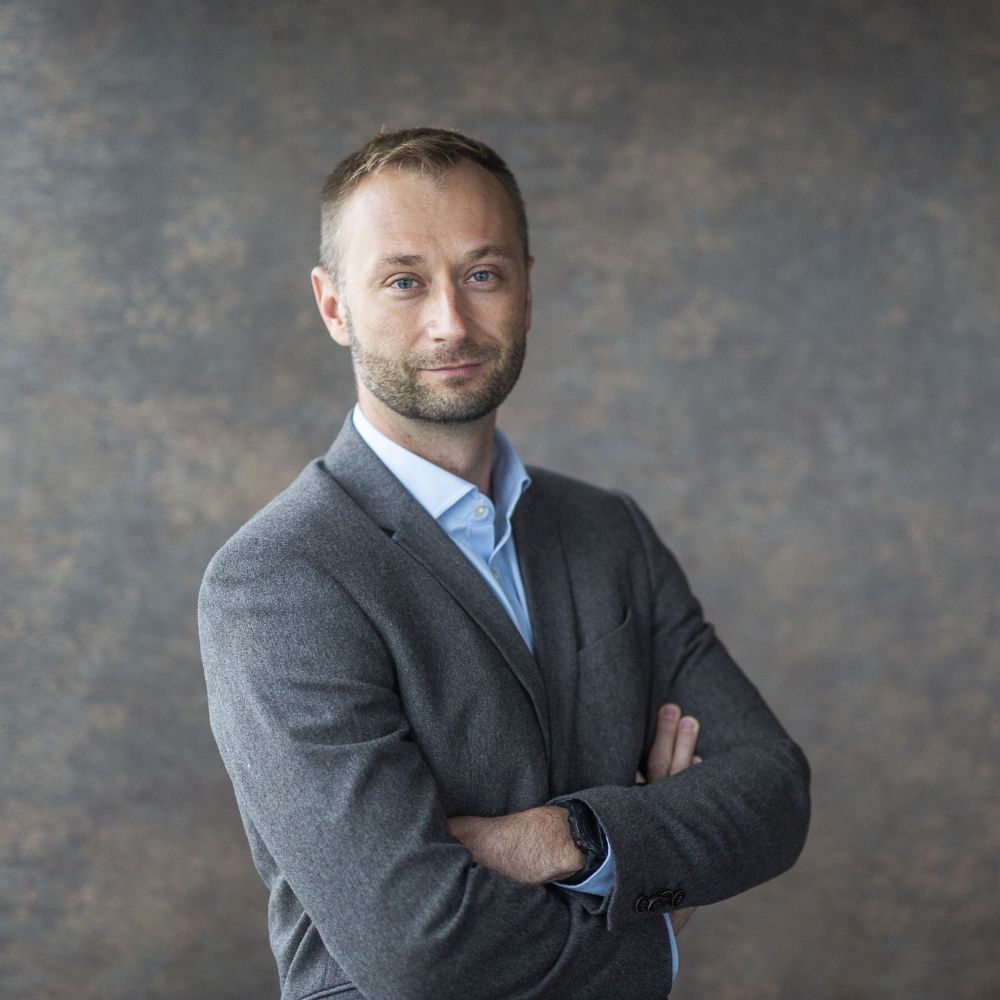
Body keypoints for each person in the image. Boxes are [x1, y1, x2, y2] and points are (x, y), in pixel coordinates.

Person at [197, 127, 810, 1000]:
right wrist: (651, 910)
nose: (451, 321)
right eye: (404, 281)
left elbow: (775, 795)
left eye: (482, 274)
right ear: (334, 307)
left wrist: (566, 839)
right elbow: (420, 950)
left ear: (526, 289)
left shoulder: (608, 532)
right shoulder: (278, 580)